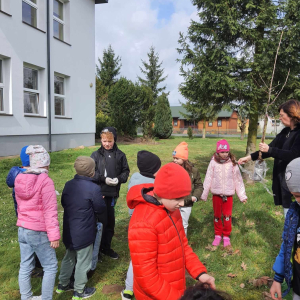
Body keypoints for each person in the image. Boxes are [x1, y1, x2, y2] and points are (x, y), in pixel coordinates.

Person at [127, 162, 215, 300]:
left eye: (184, 198)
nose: (182, 203)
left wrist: (200, 273)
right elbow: (147, 279)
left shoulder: (171, 209)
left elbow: (182, 246)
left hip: (175, 287)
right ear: (163, 193)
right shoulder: (143, 224)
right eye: (178, 199)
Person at [238, 99, 300, 217]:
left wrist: (271, 150)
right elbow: (269, 149)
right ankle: (288, 233)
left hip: (297, 182)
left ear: (292, 115)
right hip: (284, 179)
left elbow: (294, 155)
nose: (280, 118)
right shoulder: (285, 132)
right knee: (287, 212)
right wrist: (249, 157)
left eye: (282, 115)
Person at [56, 156, 106, 300]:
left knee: (69, 256)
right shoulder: (94, 188)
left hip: (70, 229)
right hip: (84, 231)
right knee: (83, 261)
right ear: (92, 171)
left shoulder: (68, 184)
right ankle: (79, 291)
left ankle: (62, 284)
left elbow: (64, 202)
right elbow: (100, 209)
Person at [15, 145, 60, 300]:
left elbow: (21, 205)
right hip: (38, 231)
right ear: (46, 164)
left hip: (22, 228)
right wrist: (53, 236)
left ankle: (25, 297)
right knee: (50, 266)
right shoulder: (46, 182)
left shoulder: (19, 178)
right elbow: (50, 210)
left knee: (25, 264)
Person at [121, 150, 161, 300]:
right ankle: (149, 289)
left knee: (136, 258)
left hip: (134, 225)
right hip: (151, 226)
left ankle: (128, 290)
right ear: (153, 170)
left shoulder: (135, 178)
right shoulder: (155, 184)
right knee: (152, 258)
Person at [91, 127, 130, 259]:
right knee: (99, 222)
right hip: (99, 193)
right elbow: (92, 173)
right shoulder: (95, 155)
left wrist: (118, 179)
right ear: (101, 140)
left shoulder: (120, 155)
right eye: (104, 141)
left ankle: (106, 247)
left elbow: (125, 172)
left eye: (110, 141)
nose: (107, 144)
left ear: (115, 140)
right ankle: (96, 249)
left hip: (112, 194)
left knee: (109, 222)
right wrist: (103, 179)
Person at [201, 140, 247, 247]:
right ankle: (218, 234)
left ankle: (226, 235)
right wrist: (204, 194)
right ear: (217, 152)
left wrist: (242, 195)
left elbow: (238, 179)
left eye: (227, 152)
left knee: (227, 216)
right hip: (216, 195)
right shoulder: (213, 162)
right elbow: (208, 177)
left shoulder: (232, 163)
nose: (225, 154)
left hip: (228, 195)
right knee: (217, 215)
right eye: (222, 152)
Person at [6, 146, 43, 278]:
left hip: (21, 216)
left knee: (27, 242)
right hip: (33, 217)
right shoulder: (31, 177)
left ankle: (34, 264)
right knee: (35, 241)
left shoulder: (16, 175)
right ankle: (34, 265)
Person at [270, 157, 300, 300]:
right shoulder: (295, 214)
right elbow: (287, 244)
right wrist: (278, 277)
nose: (298, 201)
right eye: (295, 196)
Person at [172, 141, 203, 235]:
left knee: (183, 224)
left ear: (184, 158)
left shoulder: (193, 171)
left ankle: (182, 243)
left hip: (187, 202)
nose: (174, 161)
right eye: (173, 158)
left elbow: (199, 185)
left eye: (177, 158)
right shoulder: (171, 169)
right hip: (173, 202)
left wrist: (195, 197)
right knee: (172, 224)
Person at [6, 146, 30, 216]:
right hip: (34, 215)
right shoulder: (35, 174)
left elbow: (9, 183)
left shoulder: (16, 172)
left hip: (20, 212)